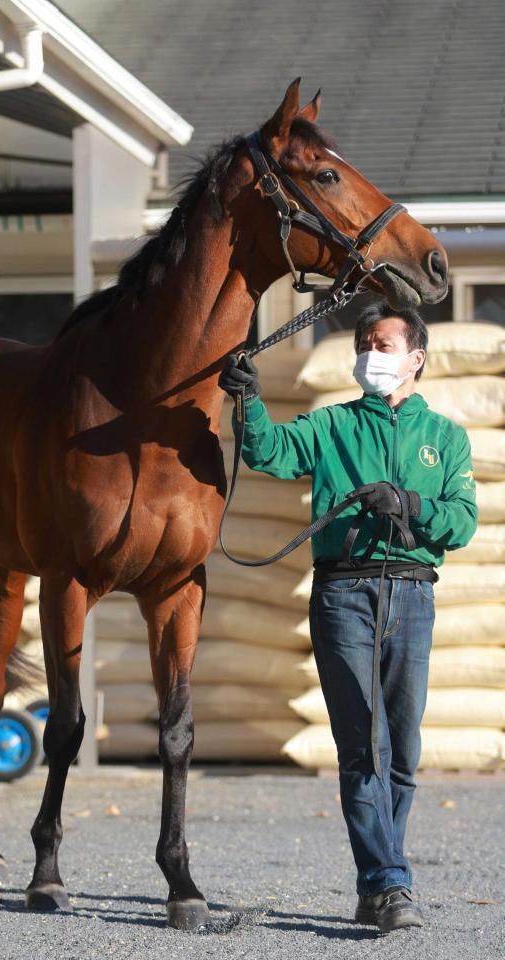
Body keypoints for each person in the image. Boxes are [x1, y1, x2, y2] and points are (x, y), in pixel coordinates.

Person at [219, 299, 477, 934]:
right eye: (364, 342)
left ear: (416, 358)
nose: (369, 354)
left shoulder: (446, 438)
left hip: (413, 596)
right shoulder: (330, 424)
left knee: (403, 751)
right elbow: (270, 452)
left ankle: (375, 882)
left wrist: (410, 504)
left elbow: (463, 521)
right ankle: (390, 883)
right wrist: (249, 401)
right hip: (342, 596)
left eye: (383, 344)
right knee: (363, 742)